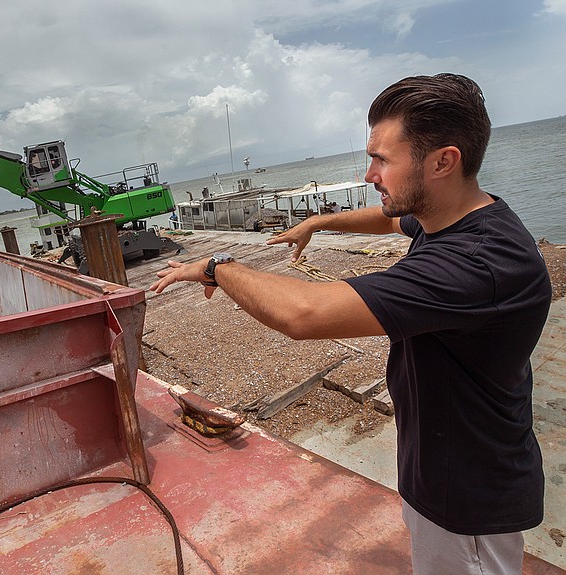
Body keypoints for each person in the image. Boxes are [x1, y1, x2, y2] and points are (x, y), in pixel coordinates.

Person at [150, 73, 552, 575]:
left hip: (467, 498)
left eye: (382, 158)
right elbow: (388, 219)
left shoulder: (477, 263)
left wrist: (217, 267)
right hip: (446, 466)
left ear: (443, 161)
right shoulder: (454, 214)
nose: (369, 173)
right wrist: (318, 223)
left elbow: (305, 314)